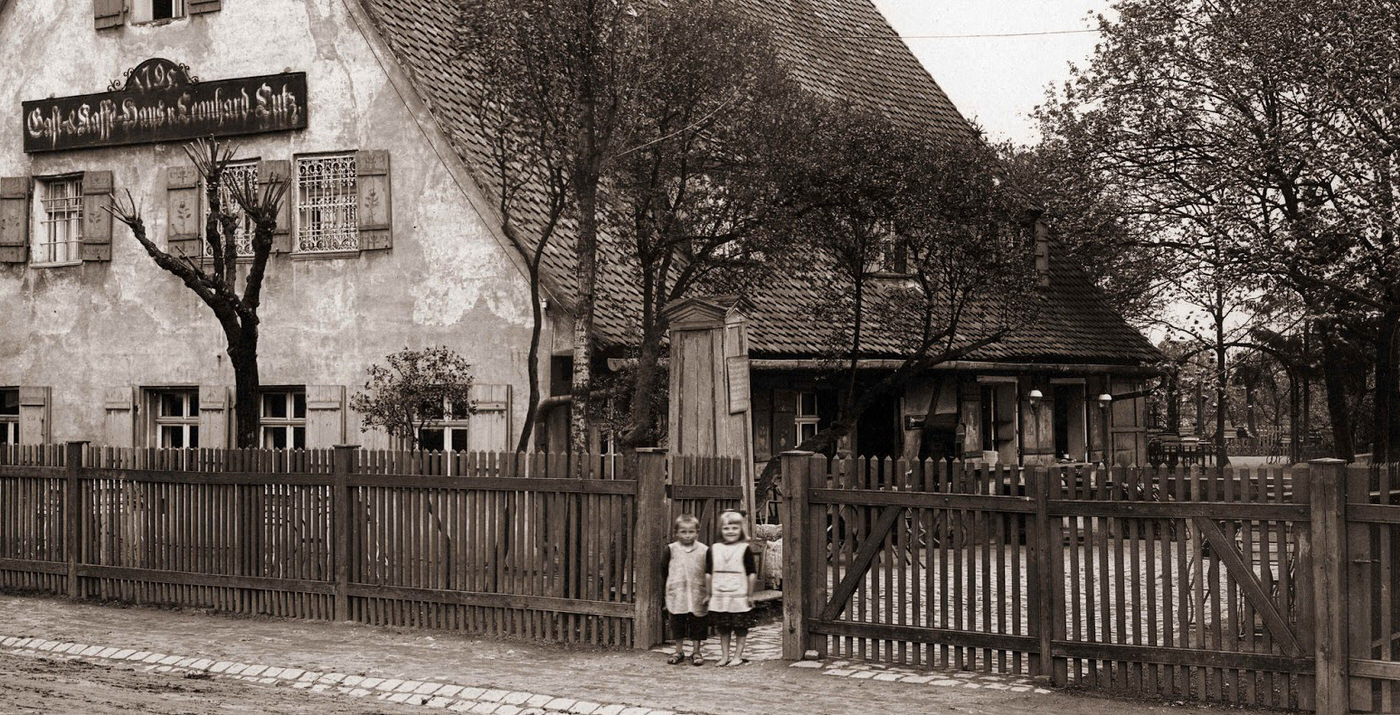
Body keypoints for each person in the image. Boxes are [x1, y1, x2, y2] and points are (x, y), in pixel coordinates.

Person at [704, 510, 757, 666]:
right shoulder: (714, 549)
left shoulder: (744, 549)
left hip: (738, 595)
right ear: (721, 529)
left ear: (741, 529)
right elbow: (708, 573)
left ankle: (738, 656)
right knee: (723, 627)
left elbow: (751, 573)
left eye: (735, 528)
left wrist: (750, 594)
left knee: (740, 627)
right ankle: (725, 655)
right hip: (720, 596)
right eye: (726, 528)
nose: (731, 531)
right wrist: (709, 593)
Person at [662, 514, 708, 665]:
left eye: (691, 532)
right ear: (676, 532)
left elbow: (709, 571)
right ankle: (678, 650)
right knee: (677, 623)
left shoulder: (704, 550)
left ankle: (696, 651)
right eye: (683, 532)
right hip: (677, 593)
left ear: (697, 532)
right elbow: (663, 570)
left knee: (697, 623)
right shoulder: (671, 549)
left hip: (697, 592)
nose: (687, 535)